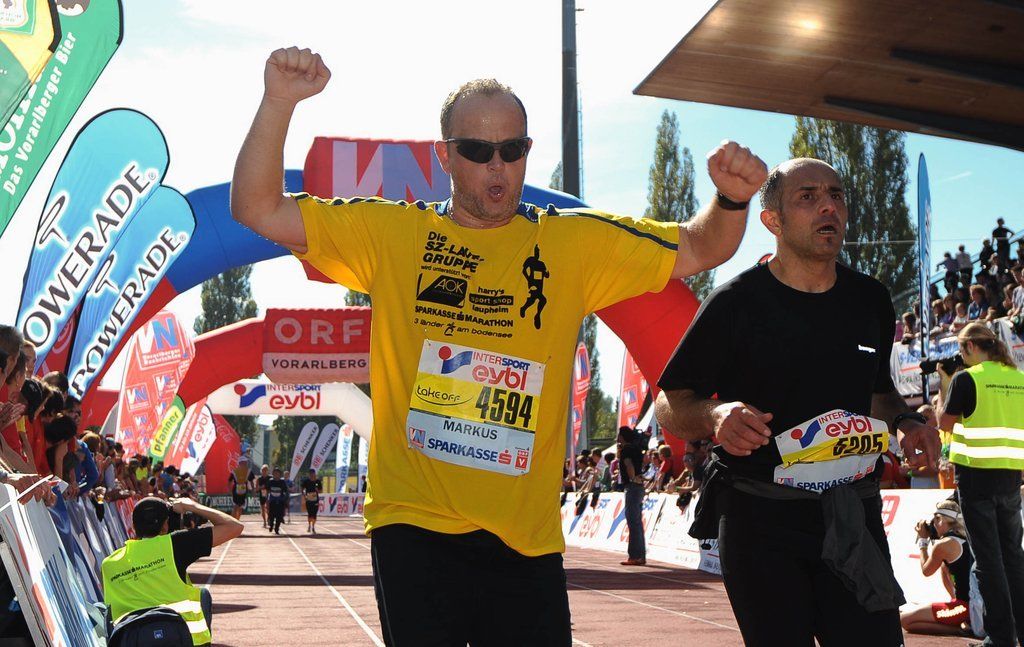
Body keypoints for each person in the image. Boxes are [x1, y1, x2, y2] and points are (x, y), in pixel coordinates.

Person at [230, 46, 766, 644]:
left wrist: (731, 199)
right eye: (477, 150)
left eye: (512, 150)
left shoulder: (572, 243)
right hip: (414, 525)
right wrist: (279, 101)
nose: (497, 166)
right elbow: (256, 207)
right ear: (444, 156)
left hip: (524, 540)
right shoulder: (393, 233)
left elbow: (701, 246)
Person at [654, 157, 940, 646]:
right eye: (808, 196)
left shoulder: (870, 299)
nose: (829, 206)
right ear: (773, 221)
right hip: (760, 520)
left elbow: (878, 393)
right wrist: (714, 415)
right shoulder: (734, 302)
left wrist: (907, 421)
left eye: (836, 194)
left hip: (852, 514)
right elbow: (670, 400)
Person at [937, 322, 1024, 647]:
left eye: (961, 349)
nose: (961, 356)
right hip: (1010, 477)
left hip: (976, 479)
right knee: (1013, 558)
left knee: (988, 561)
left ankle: (1000, 637)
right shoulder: (1019, 378)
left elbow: (944, 423)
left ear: (971, 346)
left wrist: (944, 382)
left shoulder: (966, 379)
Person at [101, 497, 243, 645]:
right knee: (203, 595)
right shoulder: (175, 544)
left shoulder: (109, 563)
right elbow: (234, 527)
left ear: (133, 526)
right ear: (165, 525)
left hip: (131, 641)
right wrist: (193, 506)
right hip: (184, 640)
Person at [900, 500, 976, 636]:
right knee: (944, 566)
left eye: (935, 519)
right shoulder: (968, 538)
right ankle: (960, 615)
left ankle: (960, 631)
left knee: (905, 620)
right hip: (976, 606)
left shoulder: (943, 545)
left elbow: (926, 571)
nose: (933, 525)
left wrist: (923, 541)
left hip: (962, 609)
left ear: (941, 520)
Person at [616, 426, 646, 566]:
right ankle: (640, 555)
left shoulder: (626, 450)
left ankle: (635, 556)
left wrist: (632, 478)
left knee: (633, 522)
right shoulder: (636, 449)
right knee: (637, 523)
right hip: (638, 486)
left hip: (632, 486)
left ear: (622, 437)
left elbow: (628, 464)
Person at [266, 467, 289, 535]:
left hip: (280, 501)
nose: (276, 475)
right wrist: (267, 499)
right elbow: (267, 490)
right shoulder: (270, 481)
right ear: (273, 474)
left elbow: (285, 491)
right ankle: (271, 525)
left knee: (279, 516)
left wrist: (285, 500)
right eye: (275, 473)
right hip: (272, 501)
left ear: (280, 474)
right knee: (271, 515)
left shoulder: (282, 482)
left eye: (277, 473)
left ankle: (276, 528)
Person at [300, 467, 321, 534]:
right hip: (308, 500)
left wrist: (318, 490)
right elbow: (302, 489)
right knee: (310, 514)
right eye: (310, 474)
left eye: (313, 473)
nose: (312, 475)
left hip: (315, 500)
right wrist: (304, 495)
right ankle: (309, 525)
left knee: (314, 514)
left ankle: (313, 527)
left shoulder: (317, 481)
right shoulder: (306, 481)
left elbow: (320, 490)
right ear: (309, 474)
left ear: (315, 474)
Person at [257, 464, 271, 528]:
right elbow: (256, 489)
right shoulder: (259, 479)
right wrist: (261, 487)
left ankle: (269, 518)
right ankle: (264, 522)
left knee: (268, 507)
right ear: (261, 471)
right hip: (262, 494)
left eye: (266, 470)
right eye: (263, 470)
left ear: (267, 471)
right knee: (263, 509)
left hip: (269, 494)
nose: (264, 471)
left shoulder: (270, 478)